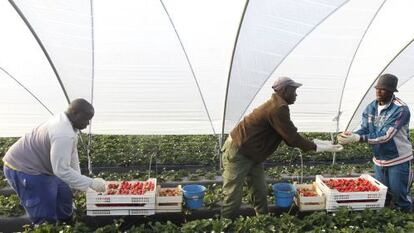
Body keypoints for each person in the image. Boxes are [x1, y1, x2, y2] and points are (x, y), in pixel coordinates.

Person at [221, 77, 343, 219]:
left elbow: (290, 133)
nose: (296, 94)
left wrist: (320, 143)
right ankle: (225, 224)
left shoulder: (278, 105)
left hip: (253, 153)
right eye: (294, 91)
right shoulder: (278, 108)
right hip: (239, 152)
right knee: (233, 195)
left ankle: (263, 220)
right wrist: (320, 147)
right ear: (284, 91)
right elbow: (292, 139)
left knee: (259, 190)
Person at [2, 98, 107, 224]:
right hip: (25, 168)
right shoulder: (62, 133)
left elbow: (72, 154)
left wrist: (78, 182)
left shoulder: (68, 123)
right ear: (74, 113)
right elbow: (61, 170)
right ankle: (46, 226)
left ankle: (66, 224)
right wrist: (90, 183)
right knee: (44, 211)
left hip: (46, 166)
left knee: (64, 197)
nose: (88, 123)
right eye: (86, 118)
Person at [337, 73, 412, 212]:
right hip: (379, 160)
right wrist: (353, 135)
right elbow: (365, 128)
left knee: (400, 196)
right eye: (377, 88)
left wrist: (358, 138)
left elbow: (386, 135)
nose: (378, 91)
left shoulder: (400, 109)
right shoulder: (371, 107)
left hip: (398, 159)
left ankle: (407, 222)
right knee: (382, 196)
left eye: (383, 89)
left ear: (391, 91)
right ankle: (386, 221)